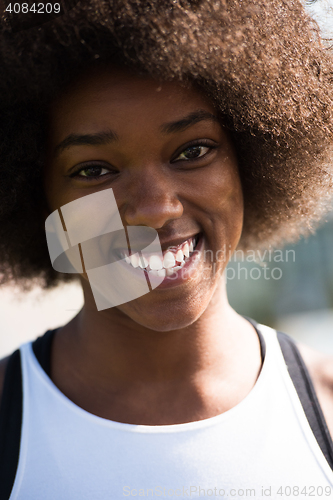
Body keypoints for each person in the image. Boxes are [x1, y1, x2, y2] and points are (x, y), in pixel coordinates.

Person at [1, 1, 333, 498]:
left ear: (248, 161)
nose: (155, 208)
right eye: (94, 170)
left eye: (193, 151)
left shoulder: (326, 408)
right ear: (37, 197)